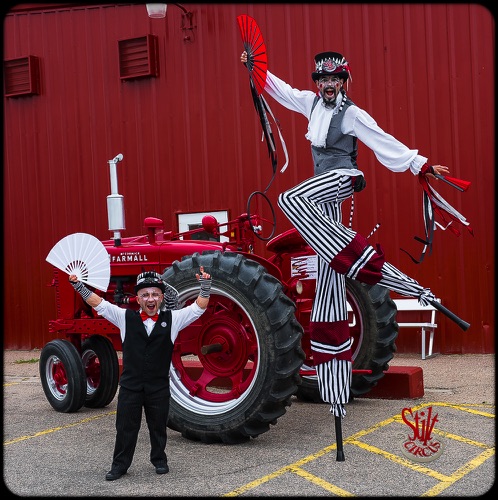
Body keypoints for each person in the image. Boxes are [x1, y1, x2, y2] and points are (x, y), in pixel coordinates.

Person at [240, 49, 457, 419]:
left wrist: (420, 164)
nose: (327, 85)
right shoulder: (310, 104)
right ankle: (334, 390)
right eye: (322, 80)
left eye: (334, 80)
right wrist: (254, 68)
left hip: (343, 179)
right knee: (328, 280)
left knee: (289, 198)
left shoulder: (352, 114)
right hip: (320, 189)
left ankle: (359, 259)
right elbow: (280, 90)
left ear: (342, 82)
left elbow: (381, 139)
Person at [69, 268, 212, 481]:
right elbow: (99, 303)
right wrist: (78, 286)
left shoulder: (173, 319)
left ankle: (159, 460)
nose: (150, 298)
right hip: (130, 387)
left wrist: (206, 287)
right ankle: (119, 466)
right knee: (126, 428)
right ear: (138, 299)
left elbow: (198, 308)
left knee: (158, 427)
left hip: (158, 387)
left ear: (162, 297)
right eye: (145, 295)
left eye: (155, 294)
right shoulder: (124, 317)